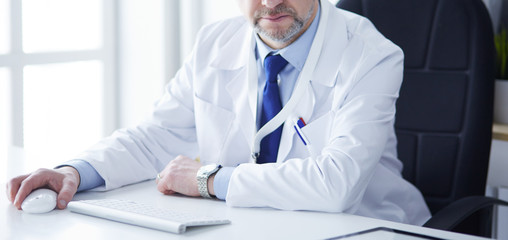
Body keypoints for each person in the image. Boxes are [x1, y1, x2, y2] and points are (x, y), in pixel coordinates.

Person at [6, 0, 431, 225]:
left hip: (360, 227)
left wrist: (209, 180)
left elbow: (337, 186)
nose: (271, 1)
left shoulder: (371, 55)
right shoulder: (214, 41)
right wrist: (76, 172)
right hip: (251, 225)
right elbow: (157, 136)